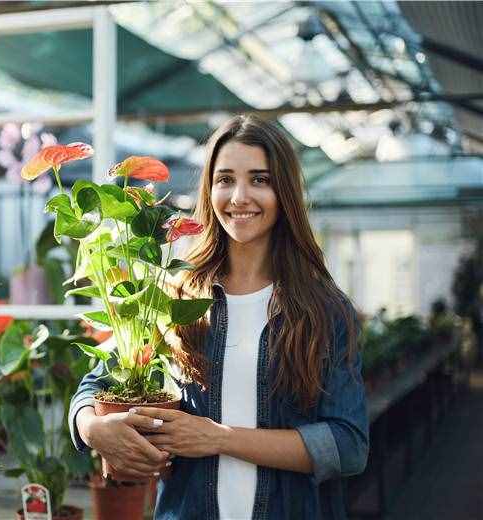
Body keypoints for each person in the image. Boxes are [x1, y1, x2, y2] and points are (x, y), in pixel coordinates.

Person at [68, 115, 368, 519]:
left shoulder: (323, 311)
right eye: (225, 179)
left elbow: (347, 445)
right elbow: (95, 385)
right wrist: (92, 428)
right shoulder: (174, 295)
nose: (239, 196)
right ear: (209, 190)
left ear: (285, 192)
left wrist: (219, 439)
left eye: (259, 179)